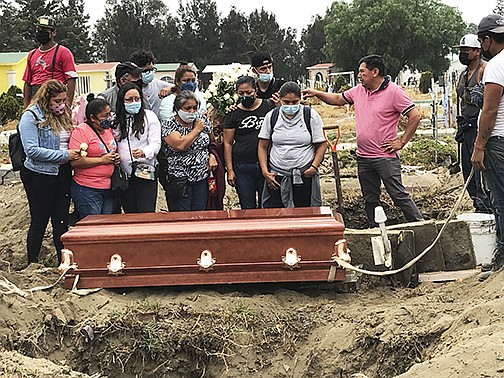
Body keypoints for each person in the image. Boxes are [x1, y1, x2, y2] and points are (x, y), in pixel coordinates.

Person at [303, 54, 423, 227]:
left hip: (385, 156)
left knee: (397, 194)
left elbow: (415, 115)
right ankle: (375, 229)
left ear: (375, 72)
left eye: (362, 71)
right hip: (364, 157)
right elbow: (338, 99)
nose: (359, 75)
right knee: (370, 198)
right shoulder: (358, 91)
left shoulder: (394, 92)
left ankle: (420, 225)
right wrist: (317, 93)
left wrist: (401, 142)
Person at [19, 79, 81, 264]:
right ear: (47, 99)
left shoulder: (63, 115)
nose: (61, 105)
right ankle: (33, 260)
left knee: (61, 219)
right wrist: (64, 155)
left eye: (63, 101)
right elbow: (32, 150)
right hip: (39, 174)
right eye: (57, 101)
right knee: (40, 219)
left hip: (62, 172)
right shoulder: (31, 117)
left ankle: (63, 258)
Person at [471, 14, 504, 280]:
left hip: (498, 142)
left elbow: (490, 110)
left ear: (486, 40)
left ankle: (502, 256)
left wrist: (479, 146)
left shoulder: (495, 66)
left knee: (500, 200)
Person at [258, 82, 326, 208]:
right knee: (277, 216)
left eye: (294, 102)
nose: (290, 106)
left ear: (300, 99)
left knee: (304, 216)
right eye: (286, 102)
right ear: (280, 100)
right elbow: (262, 146)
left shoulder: (310, 115)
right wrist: (265, 172)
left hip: (304, 176)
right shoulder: (272, 116)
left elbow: (321, 144)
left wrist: (313, 167)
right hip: (276, 177)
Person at [224, 76, 275, 209]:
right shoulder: (232, 113)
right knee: (247, 207)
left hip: (267, 165)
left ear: (255, 91)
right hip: (242, 166)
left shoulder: (268, 106)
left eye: (249, 93)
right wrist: (230, 170)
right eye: (241, 93)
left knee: (268, 204)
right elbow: (228, 143)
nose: (245, 96)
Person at [454, 34, 491, 213]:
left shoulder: (484, 70)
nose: (462, 54)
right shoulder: (463, 74)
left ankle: (487, 209)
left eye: (465, 51)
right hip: (466, 128)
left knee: (480, 173)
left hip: (478, 127)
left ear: (477, 51)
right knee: (467, 169)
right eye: (461, 51)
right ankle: (478, 205)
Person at [161, 90, 217, 211]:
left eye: (194, 108)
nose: (192, 111)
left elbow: (212, 142)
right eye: (187, 108)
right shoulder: (169, 124)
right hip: (180, 180)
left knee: (200, 214)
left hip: (201, 176)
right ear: (177, 108)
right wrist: (196, 130)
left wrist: (212, 155)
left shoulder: (202, 120)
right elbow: (180, 145)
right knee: (182, 216)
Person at [114, 83, 161, 213]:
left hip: (145, 172)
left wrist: (144, 152)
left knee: (146, 212)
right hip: (124, 174)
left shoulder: (149, 116)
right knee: (130, 213)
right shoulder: (115, 120)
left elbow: (156, 144)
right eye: (129, 99)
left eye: (137, 98)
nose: (133, 102)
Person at [69, 98, 120, 219]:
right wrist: (102, 160)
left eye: (109, 114)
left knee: (106, 225)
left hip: (108, 186)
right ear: (92, 118)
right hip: (88, 188)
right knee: (92, 224)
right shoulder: (81, 131)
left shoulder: (108, 130)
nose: (109, 118)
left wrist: (115, 158)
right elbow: (75, 161)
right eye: (105, 115)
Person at [22, 16, 77, 109]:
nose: (40, 32)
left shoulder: (63, 52)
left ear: (53, 33)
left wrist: (67, 107)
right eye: (38, 29)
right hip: (36, 101)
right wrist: (26, 107)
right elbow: (27, 83)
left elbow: (71, 80)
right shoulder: (31, 54)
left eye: (44, 30)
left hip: (55, 101)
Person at [129, 50, 171, 117]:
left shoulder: (158, 84)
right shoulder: (131, 88)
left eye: (152, 70)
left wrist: (169, 89)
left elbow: (177, 88)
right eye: (146, 71)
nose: (150, 73)